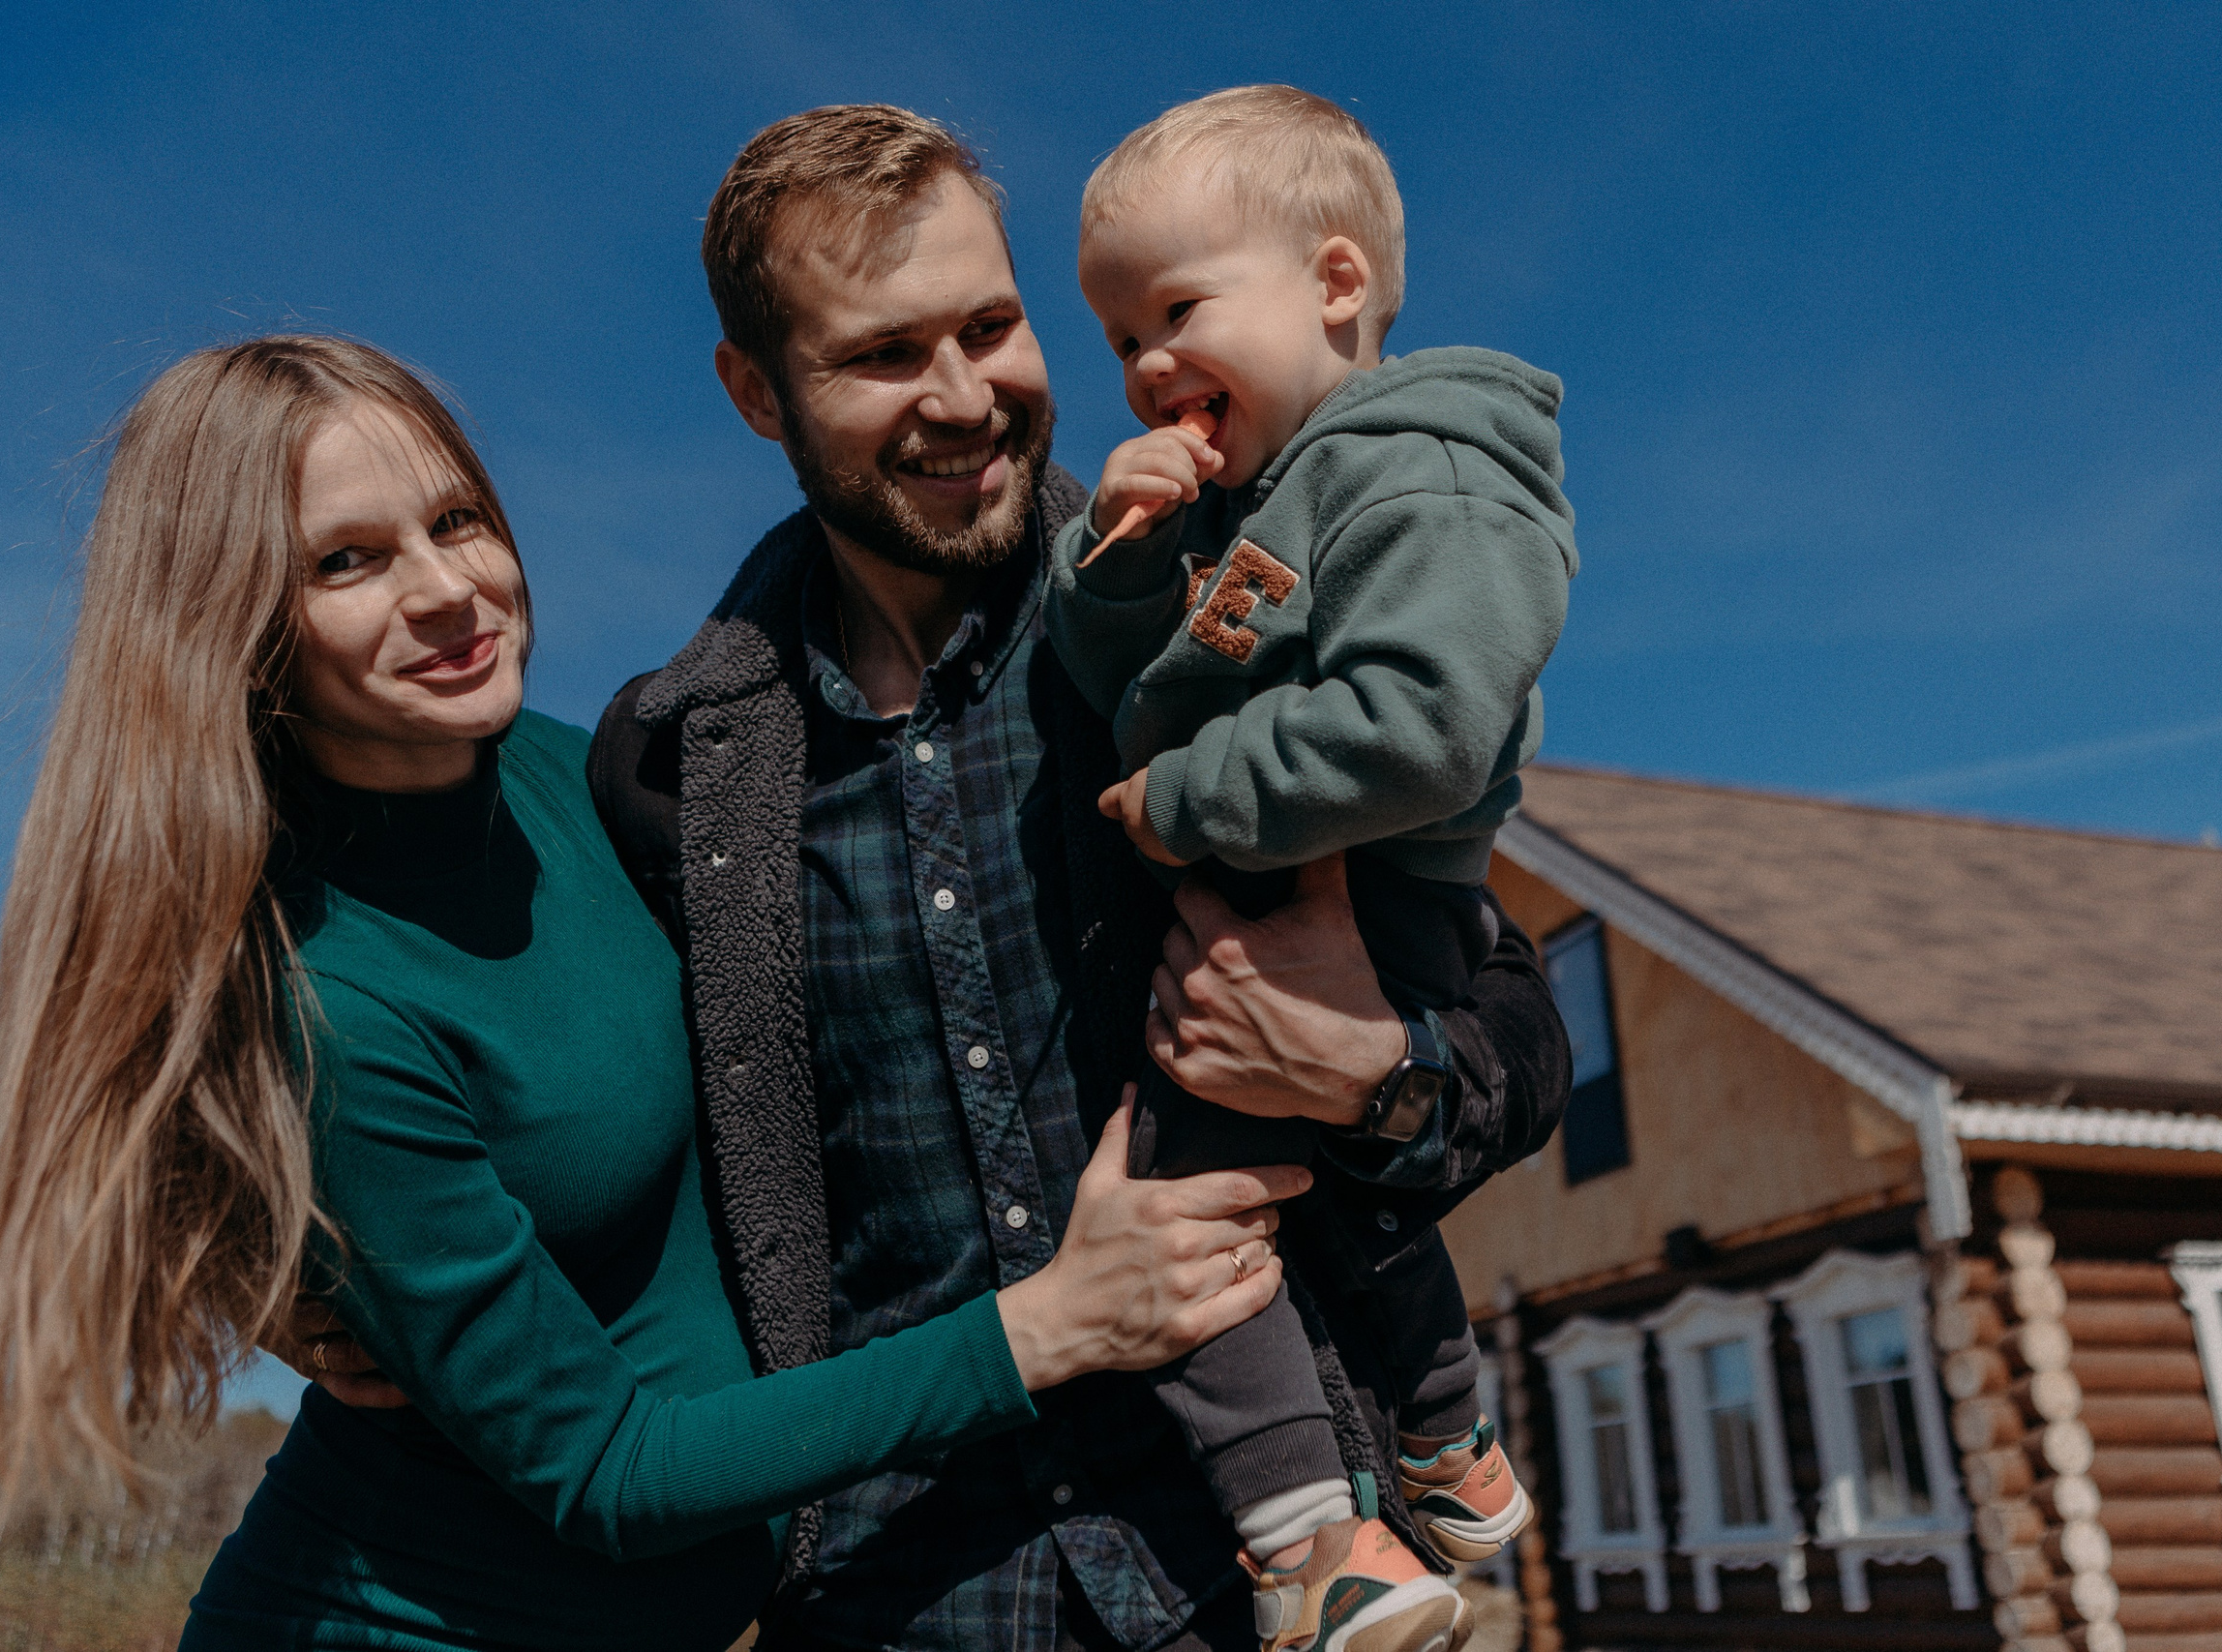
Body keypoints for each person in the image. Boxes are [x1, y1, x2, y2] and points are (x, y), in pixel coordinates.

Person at [0, 335, 1307, 1652]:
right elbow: (613, 1471)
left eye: (458, 521)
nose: (444, 591)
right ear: (234, 625)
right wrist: (1053, 1322)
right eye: (346, 561)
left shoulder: (571, 775)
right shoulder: (333, 998)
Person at [578, 105, 1575, 1652]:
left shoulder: (1204, 614)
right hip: (891, 1595)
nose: (965, 397)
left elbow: (1515, 1029)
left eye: (993, 325)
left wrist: (1373, 1075)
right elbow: (620, 1152)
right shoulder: (672, 770)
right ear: (756, 394)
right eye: (883, 355)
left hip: (1268, 1583)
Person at [1043, 86, 1578, 1647]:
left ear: (1333, 286)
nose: (1144, 364)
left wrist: (1189, 799)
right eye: (1119, 334)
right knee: (1322, 1186)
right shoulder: (1259, 500)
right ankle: (1446, 1437)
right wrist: (1125, 569)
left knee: (1186, 1195)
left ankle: (1317, 1545)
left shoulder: (1432, 479)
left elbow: (1421, 729)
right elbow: (1133, 676)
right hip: (1302, 896)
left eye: (1178, 309)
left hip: (1377, 907)